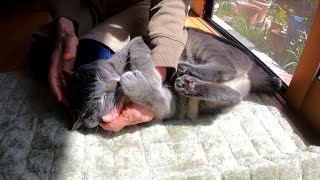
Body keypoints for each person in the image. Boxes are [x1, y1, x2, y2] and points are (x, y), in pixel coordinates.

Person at [45, 0, 191, 131]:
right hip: (84, 5)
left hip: (138, 5)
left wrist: (155, 77)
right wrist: (65, 30)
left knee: (90, 57)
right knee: (47, 60)